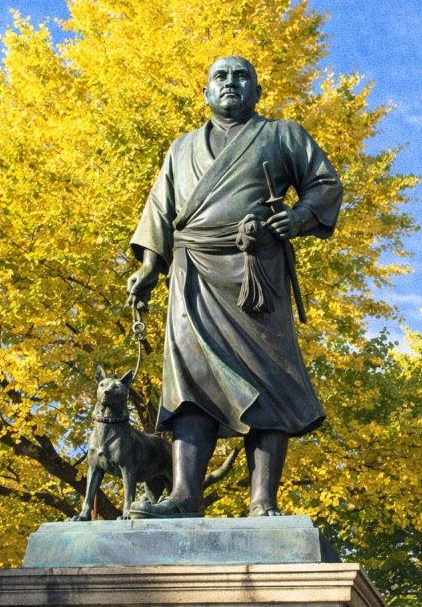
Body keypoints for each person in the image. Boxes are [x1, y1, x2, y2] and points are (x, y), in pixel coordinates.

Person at [126, 56, 343, 518]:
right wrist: (149, 266)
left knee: (268, 379)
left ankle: (262, 499)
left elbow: (325, 184)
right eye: (220, 77)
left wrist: (299, 217)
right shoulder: (181, 148)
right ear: (205, 93)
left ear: (258, 92)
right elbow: (160, 209)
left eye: (241, 76)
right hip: (193, 273)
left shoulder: (283, 134)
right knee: (190, 382)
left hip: (255, 271)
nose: (230, 84)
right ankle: (185, 497)